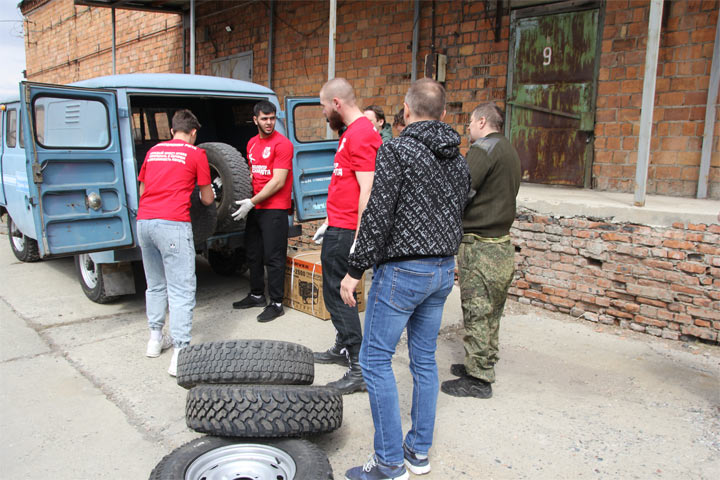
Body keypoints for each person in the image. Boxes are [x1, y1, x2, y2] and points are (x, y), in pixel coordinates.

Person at [340, 78, 470, 480]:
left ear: (406, 111)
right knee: (424, 361)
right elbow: (460, 207)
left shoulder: (397, 149)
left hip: (403, 271)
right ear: (445, 114)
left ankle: (389, 463)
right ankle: (417, 454)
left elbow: (378, 215)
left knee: (374, 360)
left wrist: (353, 269)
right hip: (441, 270)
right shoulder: (459, 158)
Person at [440, 103, 521, 399]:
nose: (468, 128)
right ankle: (480, 362)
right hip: (500, 242)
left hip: (480, 244)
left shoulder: (482, 150)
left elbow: (461, 189)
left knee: (476, 311)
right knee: (491, 311)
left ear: (483, 121)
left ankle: (479, 379)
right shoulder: (508, 149)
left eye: (471, 122)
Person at [312, 77, 381, 395]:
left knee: (341, 297)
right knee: (333, 294)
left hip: (347, 231)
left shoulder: (362, 134)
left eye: (324, 107)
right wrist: (330, 218)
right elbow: (348, 184)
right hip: (337, 225)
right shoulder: (351, 133)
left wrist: (360, 236)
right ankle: (343, 347)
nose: (324, 113)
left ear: (336, 103)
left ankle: (358, 369)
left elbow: (368, 189)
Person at [137, 109, 214, 377]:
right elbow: (206, 199)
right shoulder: (196, 154)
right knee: (181, 290)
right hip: (173, 224)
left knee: (156, 285)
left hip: (144, 223)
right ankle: (180, 353)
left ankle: (155, 340)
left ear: (172, 131)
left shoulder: (153, 151)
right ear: (193, 133)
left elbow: (142, 190)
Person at [230, 101, 293, 323]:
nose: (269, 122)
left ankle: (276, 303)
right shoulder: (251, 144)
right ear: (255, 119)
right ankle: (257, 295)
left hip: (274, 208)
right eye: (264, 118)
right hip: (255, 206)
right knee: (253, 253)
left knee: (273, 257)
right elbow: (253, 173)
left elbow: (278, 181)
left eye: (272, 118)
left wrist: (251, 202)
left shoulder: (282, 144)